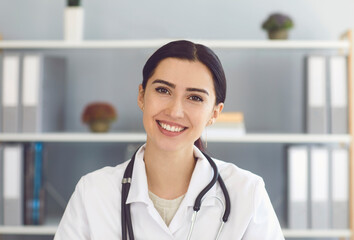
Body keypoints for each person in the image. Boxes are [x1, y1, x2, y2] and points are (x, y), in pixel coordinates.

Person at [54, 40, 284, 239]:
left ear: (215, 113)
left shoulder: (247, 192)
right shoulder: (93, 192)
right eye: (163, 91)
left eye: (194, 97)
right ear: (142, 96)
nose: (175, 111)